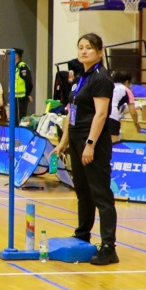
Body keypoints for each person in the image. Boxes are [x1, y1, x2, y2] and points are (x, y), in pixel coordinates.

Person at [55, 33, 118, 266]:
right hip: (76, 138)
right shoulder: (80, 77)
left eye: (89, 48)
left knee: (100, 194)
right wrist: (64, 141)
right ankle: (82, 235)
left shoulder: (101, 78)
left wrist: (90, 144)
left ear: (100, 52)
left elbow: (100, 114)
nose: (83, 51)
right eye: (80, 47)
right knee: (83, 192)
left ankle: (109, 247)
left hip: (93, 141)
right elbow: (71, 111)